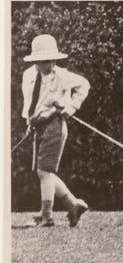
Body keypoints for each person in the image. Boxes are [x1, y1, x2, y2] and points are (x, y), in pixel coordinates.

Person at [21, 34, 90, 227]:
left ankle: (47, 216)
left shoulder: (62, 75)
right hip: (38, 125)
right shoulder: (28, 76)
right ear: (35, 60)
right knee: (43, 172)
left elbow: (84, 85)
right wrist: (29, 122)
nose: (49, 64)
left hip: (55, 124)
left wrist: (70, 107)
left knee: (44, 171)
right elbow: (30, 101)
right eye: (44, 60)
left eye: (52, 60)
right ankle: (73, 205)